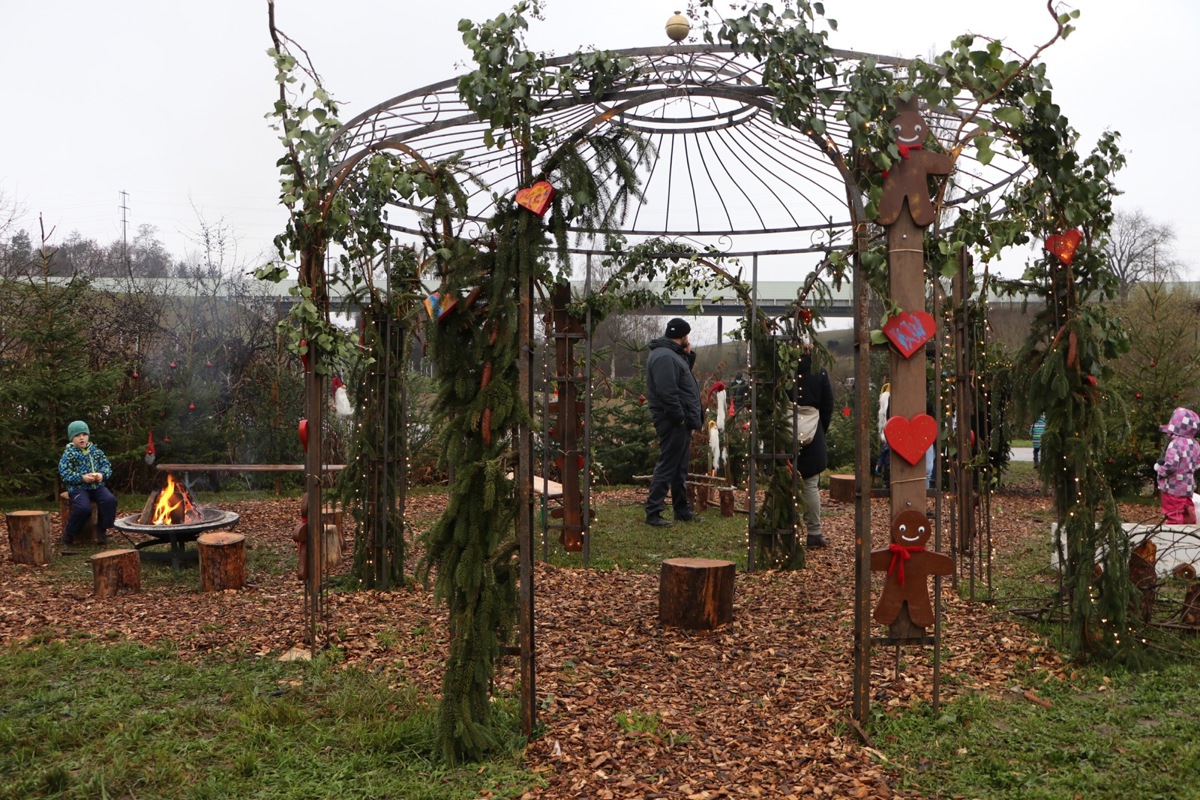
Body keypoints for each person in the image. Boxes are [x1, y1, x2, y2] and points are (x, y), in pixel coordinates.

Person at [645, 318, 703, 526]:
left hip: (679, 419)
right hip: (673, 420)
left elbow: (682, 376)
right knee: (668, 464)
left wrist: (688, 355)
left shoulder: (671, 354)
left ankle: (681, 509)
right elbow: (667, 392)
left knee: (679, 466)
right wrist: (679, 417)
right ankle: (653, 512)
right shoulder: (665, 357)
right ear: (684, 335)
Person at [793, 345, 834, 547]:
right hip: (813, 430)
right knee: (810, 484)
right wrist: (819, 430)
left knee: (784, 479)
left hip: (785, 429)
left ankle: (784, 528)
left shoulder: (784, 370)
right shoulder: (820, 372)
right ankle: (814, 532)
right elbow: (828, 405)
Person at [58, 420, 118, 545]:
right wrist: (82, 478)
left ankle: (102, 529)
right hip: (78, 488)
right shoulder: (69, 454)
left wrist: (102, 475)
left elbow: (107, 466)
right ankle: (70, 533)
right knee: (83, 508)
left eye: (84, 434)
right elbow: (65, 473)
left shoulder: (96, 452)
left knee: (110, 500)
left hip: (97, 486)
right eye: (77, 435)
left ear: (88, 436)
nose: (81, 438)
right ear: (71, 438)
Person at [1154, 407, 1200, 524]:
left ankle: (1174, 533)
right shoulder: (1195, 444)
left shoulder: (1175, 444)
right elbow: (1197, 463)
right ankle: (1190, 532)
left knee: (1173, 512)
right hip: (1188, 486)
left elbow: (1171, 465)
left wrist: (1161, 471)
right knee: (1187, 510)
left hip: (1173, 487)